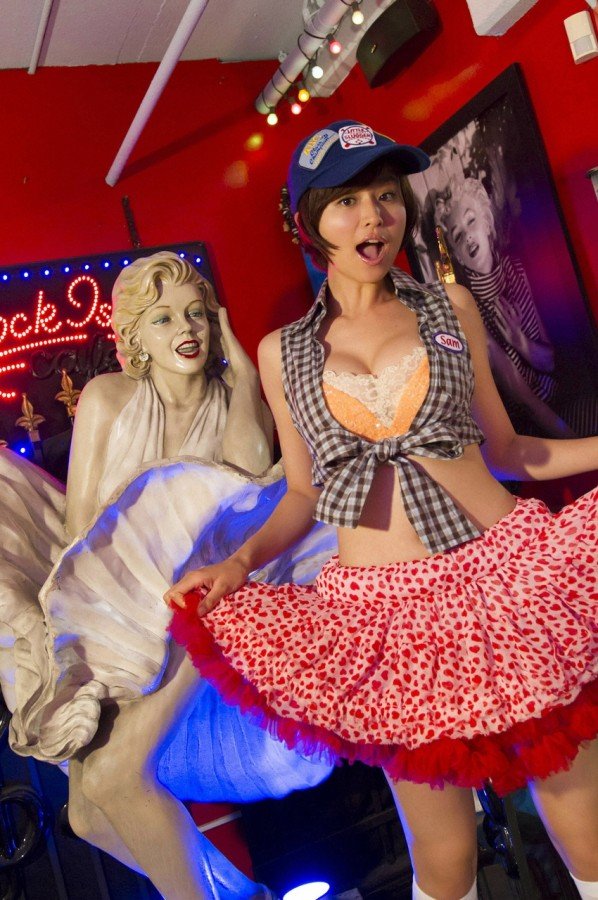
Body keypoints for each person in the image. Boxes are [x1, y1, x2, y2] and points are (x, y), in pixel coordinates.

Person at [165, 121, 598, 900]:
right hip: (383, 618)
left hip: (507, 580)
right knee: (444, 858)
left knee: (586, 828)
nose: (375, 216)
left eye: (388, 195)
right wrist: (239, 562)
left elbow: (508, 450)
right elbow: (306, 493)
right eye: (349, 200)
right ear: (311, 221)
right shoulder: (281, 353)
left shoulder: (451, 307)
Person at [0, 251, 335, 899]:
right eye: (162, 318)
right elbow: (81, 529)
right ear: (135, 337)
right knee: (87, 815)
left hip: (207, 614)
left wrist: (242, 374)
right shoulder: (109, 398)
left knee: (114, 779)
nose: (186, 329)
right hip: (118, 613)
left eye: (196, 314)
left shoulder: (235, 401)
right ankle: (241, 895)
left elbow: (247, 490)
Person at [434, 175, 591, 438]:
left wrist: (520, 342)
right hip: (532, 431)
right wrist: (574, 443)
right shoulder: (466, 307)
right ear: (457, 255)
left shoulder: (516, 270)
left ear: (487, 223)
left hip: (563, 397)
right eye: (458, 235)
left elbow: (549, 362)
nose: (468, 235)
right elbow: (524, 402)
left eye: (471, 220)